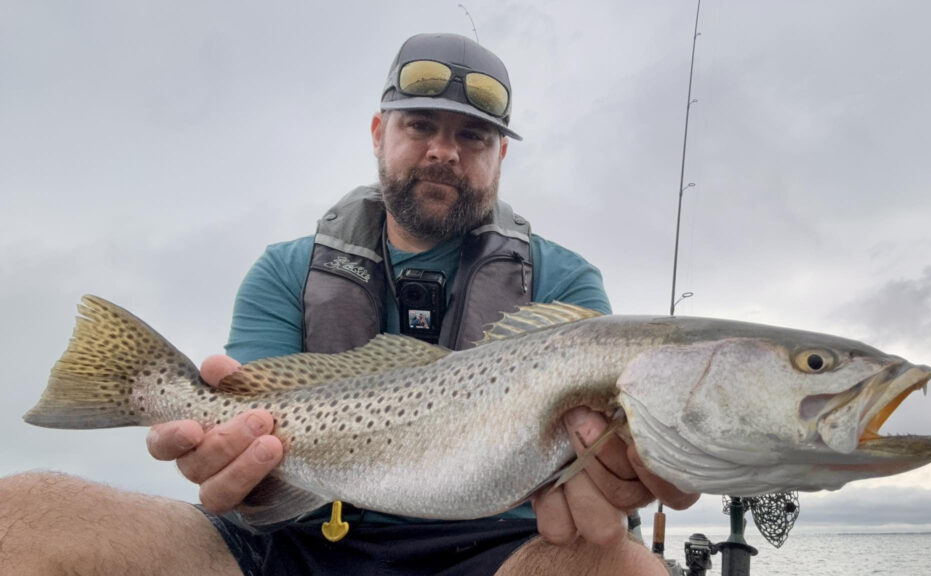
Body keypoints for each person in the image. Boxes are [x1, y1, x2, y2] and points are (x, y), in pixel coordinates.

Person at [0, 33, 697, 575]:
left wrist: (628, 473)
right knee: (22, 513)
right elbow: (251, 444)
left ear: (500, 158)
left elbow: (603, 464)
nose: (443, 152)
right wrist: (230, 467)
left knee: (626, 566)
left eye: (472, 136)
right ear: (378, 134)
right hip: (291, 545)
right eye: (420, 125)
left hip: (500, 550)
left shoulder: (571, 286)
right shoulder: (283, 270)